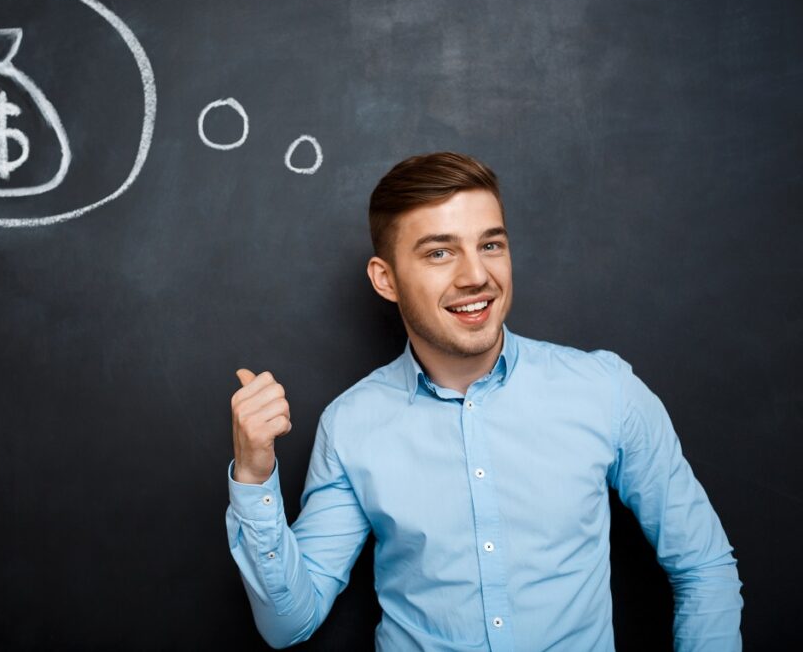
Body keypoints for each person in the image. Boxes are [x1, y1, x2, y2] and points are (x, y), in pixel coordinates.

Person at [225, 152, 743, 651]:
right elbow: (289, 623)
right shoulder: (350, 424)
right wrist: (253, 475)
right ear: (386, 279)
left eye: (490, 245)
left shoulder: (605, 389)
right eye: (439, 252)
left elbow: (704, 566)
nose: (476, 275)